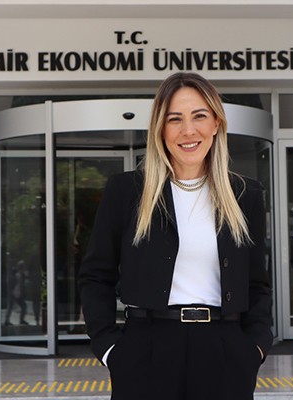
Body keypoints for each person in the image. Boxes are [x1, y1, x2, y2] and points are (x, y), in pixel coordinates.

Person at [78, 72, 272, 400]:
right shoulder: (127, 191)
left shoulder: (245, 194)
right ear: (160, 129)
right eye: (175, 119)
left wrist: (254, 348)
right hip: (146, 351)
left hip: (224, 351)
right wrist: (110, 349)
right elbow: (96, 275)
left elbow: (257, 284)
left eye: (199, 116)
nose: (188, 130)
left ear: (216, 124)